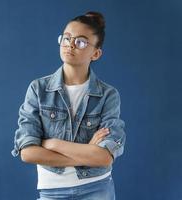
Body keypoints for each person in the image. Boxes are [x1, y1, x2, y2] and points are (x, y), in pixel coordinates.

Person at [11, 11, 126, 200]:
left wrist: (52, 143)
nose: (70, 45)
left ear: (96, 53)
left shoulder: (108, 95)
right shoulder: (38, 89)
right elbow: (27, 152)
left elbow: (104, 157)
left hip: (97, 188)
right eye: (66, 38)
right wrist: (87, 152)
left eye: (80, 42)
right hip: (52, 190)